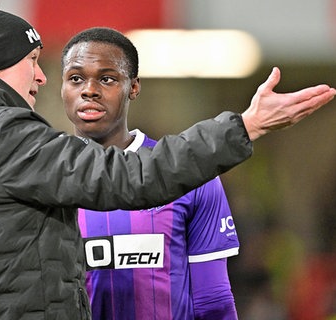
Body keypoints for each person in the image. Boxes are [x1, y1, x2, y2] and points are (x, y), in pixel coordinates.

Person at [0, 4, 336, 320]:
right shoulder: (2, 136)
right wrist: (245, 126)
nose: (40, 75)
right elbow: (132, 176)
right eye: (34, 61)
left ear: (132, 87)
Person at [61, 27, 241, 319]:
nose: (89, 90)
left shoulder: (193, 177)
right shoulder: (41, 176)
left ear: (133, 87)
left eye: (107, 78)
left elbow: (213, 301)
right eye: (76, 78)